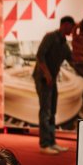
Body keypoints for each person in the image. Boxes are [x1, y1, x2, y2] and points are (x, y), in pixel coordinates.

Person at [33, 16, 75, 155]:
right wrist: (47, 74)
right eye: (71, 26)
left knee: (53, 111)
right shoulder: (50, 37)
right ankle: (44, 144)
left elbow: (73, 62)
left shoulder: (65, 44)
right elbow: (40, 55)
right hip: (43, 78)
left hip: (52, 80)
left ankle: (52, 142)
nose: (73, 30)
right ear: (65, 25)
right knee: (45, 111)